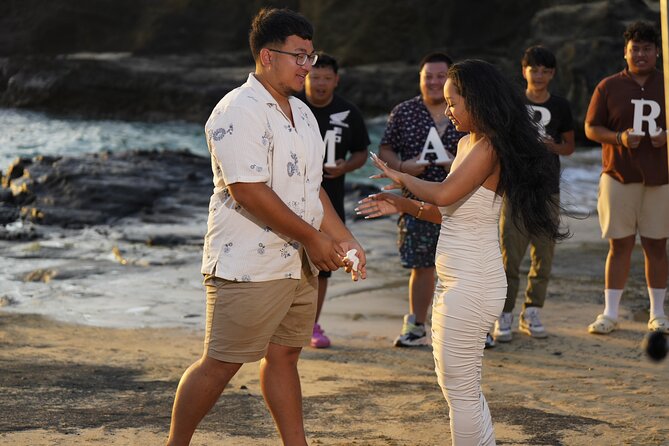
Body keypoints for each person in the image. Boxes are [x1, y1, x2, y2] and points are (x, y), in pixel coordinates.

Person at [165, 8, 367, 446]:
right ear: (265, 56)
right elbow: (247, 191)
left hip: (296, 263)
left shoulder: (304, 113)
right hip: (246, 263)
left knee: (284, 356)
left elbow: (313, 191)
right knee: (220, 362)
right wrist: (314, 238)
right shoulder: (238, 110)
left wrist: (343, 238)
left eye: (310, 56)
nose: (306, 66)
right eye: (298, 56)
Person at [357, 59, 565, 445]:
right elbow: (446, 212)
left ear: (477, 101)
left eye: (453, 102)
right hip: (459, 280)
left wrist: (399, 175)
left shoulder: (487, 147)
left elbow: (444, 193)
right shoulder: (470, 143)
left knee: (461, 390)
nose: (448, 109)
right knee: (457, 385)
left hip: (474, 281)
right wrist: (401, 204)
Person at [584, 21, 669, 336]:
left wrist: (667, 138)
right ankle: (610, 313)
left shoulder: (668, 84)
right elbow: (591, 127)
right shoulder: (609, 86)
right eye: (635, 49)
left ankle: (658, 313)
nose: (641, 54)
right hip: (618, 176)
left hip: (661, 179)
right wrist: (619, 138)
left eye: (647, 49)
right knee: (619, 245)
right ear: (625, 52)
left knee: (656, 245)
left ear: (657, 52)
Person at [378, 52, 467, 347]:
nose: (433, 81)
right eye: (428, 76)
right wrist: (402, 168)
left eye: (440, 76)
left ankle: (471, 327)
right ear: (419, 78)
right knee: (422, 265)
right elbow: (387, 149)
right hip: (414, 201)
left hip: (462, 203)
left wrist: (457, 163)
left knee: (463, 264)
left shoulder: (467, 110)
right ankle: (416, 325)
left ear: (451, 79)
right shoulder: (404, 112)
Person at [492, 46, 575, 343]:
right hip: (516, 189)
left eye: (545, 70)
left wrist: (551, 146)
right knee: (508, 258)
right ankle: (504, 314)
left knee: (544, 254)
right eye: (533, 69)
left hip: (547, 189)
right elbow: (498, 141)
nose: (538, 75)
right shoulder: (512, 103)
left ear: (552, 74)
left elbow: (569, 146)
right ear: (523, 70)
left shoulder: (561, 106)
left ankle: (533, 310)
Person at [296, 53, 371, 348]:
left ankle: (312, 324)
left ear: (337, 80)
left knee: (325, 262)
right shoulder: (294, 106)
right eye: (316, 77)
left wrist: (345, 168)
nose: (321, 84)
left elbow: (361, 153)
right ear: (306, 78)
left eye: (327, 78)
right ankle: (284, 324)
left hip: (331, 200)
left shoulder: (348, 112)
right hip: (291, 199)